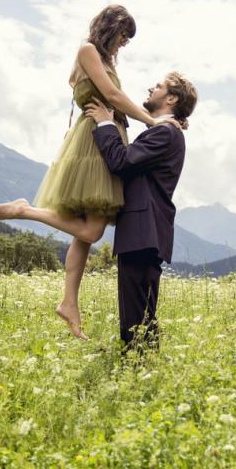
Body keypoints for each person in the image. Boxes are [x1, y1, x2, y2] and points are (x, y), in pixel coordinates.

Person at [0, 5, 177, 340]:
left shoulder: (105, 60)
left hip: (106, 133)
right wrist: (151, 121)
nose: (123, 44)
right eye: (122, 37)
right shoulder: (88, 50)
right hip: (95, 140)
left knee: (86, 231)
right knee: (91, 232)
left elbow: (113, 97)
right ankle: (25, 210)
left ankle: (69, 303)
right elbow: (112, 95)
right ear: (110, 28)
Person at [84, 71, 198, 349]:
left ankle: (137, 373)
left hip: (142, 232)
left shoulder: (165, 133)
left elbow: (121, 162)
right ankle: (142, 372)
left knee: (137, 318)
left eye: (158, 86)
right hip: (144, 233)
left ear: (171, 98)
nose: (151, 88)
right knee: (141, 314)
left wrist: (106, 124)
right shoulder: (164, 131)